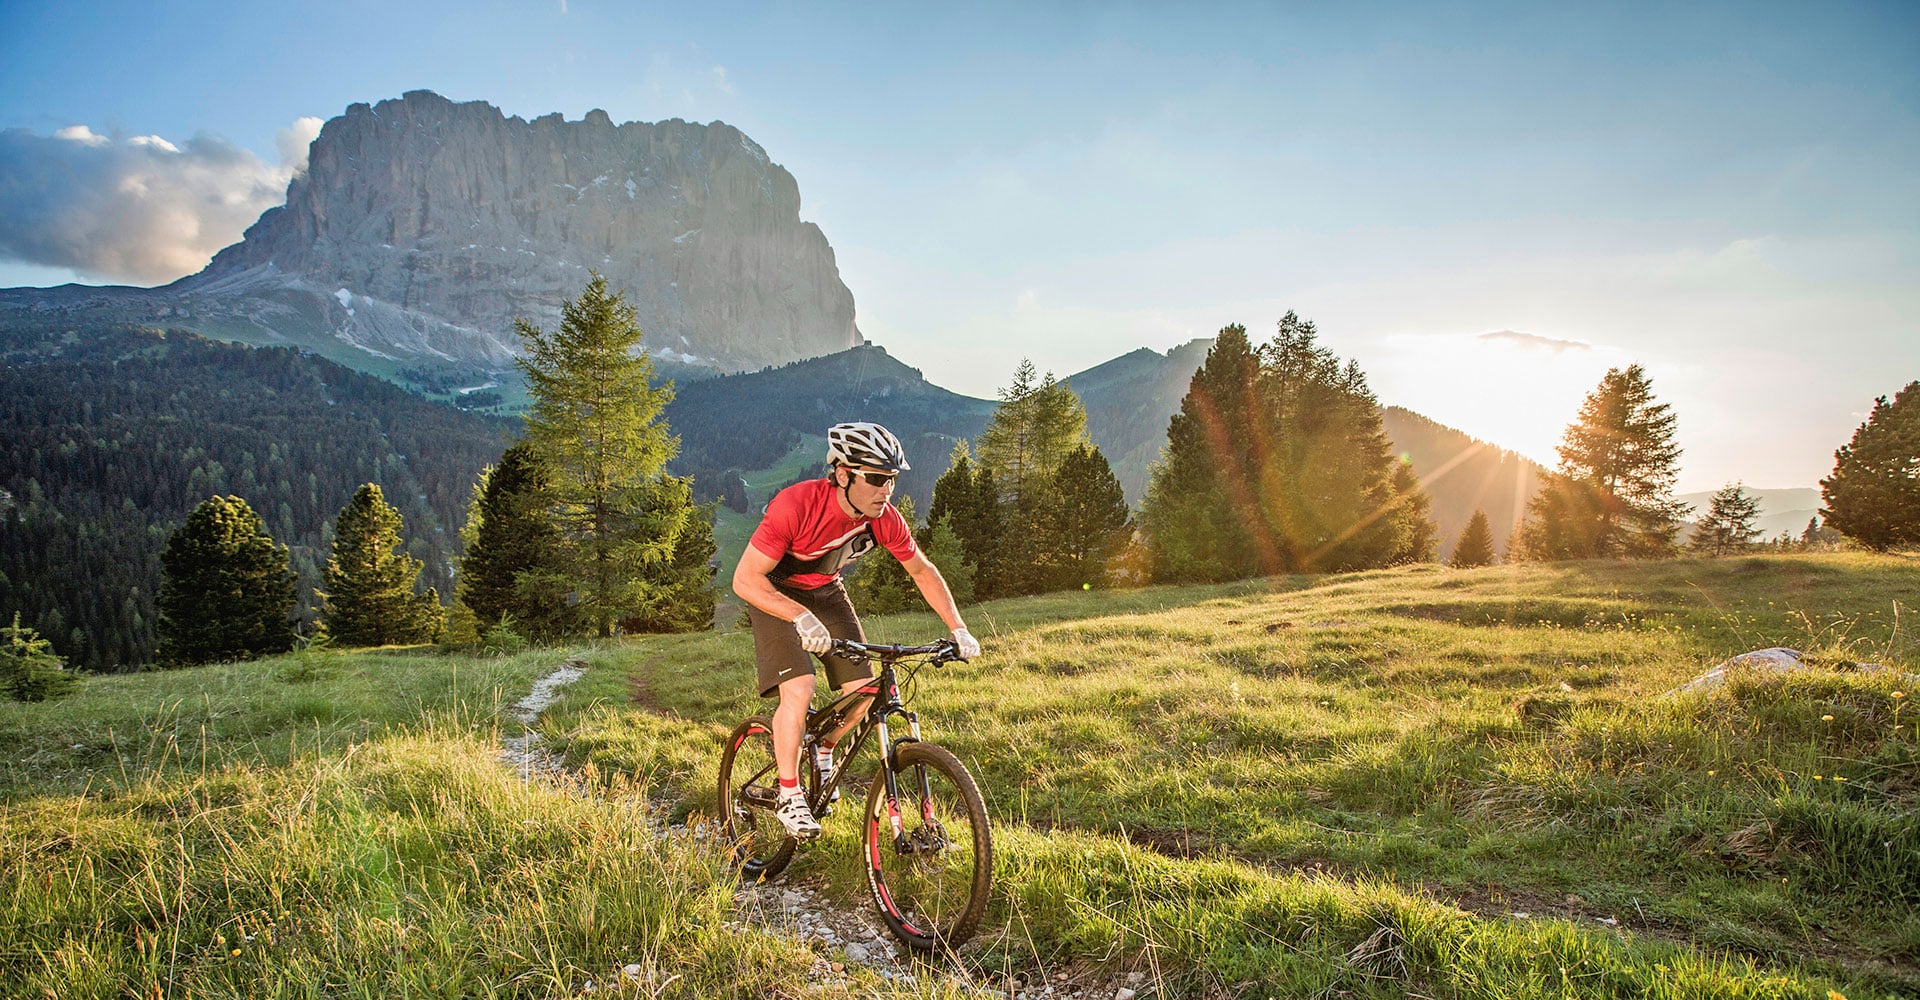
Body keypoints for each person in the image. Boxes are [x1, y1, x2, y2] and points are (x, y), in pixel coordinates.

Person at [732, 421, 980, 839]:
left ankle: (824, 747)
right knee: (801, 687)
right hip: (773, 592)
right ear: (844, 474)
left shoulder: (883, 519)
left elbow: (921, 570)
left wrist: (959, 628)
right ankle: (789, 794)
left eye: (893, 480)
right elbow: (744, 580)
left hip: (826, 591)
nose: (887, 490)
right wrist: (798, 616)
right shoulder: (795, 505)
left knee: (862, 692)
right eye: (878, 479)